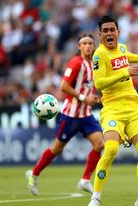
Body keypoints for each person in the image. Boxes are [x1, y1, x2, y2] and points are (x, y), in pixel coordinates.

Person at [87, 16, 138, 206]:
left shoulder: (123, 48)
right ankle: (96, 196)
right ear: (100, 35)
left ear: (118, 32)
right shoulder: (99, 55)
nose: (109, 34)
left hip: (133, 107)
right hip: (112, 108)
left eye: (112, 30)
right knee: (110, 149)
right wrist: (125, 73)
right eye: (105, 31)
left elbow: (128, 56)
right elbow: (99, 84)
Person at [25, 33, 104, 196]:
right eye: (84, 43)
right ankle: (33, 174)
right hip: (71, 115)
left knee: (99, 144)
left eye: (90, 43)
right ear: (79, 46)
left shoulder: (93, 64)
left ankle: (85, 180)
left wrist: (91, 98)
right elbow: (64, 86)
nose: (88, 46)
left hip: (86, 115)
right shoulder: (76, 63)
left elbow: (86, 88)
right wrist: (84, 98)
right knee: (57, 148)